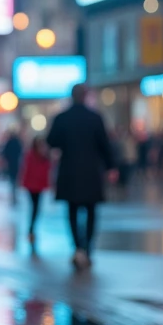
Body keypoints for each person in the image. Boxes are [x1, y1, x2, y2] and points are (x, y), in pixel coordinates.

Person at [47, 84, 116, 268]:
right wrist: (111, 167)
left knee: (71, 211)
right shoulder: (95, 117)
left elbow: (51, 141)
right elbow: (105, 145)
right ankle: (88, 248)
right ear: (85, 96)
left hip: (69, 172)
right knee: (92, 211)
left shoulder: (61, 118)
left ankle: (77, 247)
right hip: (91, 172)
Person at [19, 135, 52, 245]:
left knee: (36, 208)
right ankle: (31, 228)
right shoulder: (31, 155)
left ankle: (32, 228)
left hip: (38, 186)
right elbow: (27, 170)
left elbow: (46, 170)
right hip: (32, 186)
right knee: (34, 207)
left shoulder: (44, 156)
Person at [0, 127, 23, 202]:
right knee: (15, 180)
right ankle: (15, 195)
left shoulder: (9, 142)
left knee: (12, 180)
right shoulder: (17, 142)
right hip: (16, 163)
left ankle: (14, 195)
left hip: (11, 164)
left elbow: (4, 153)